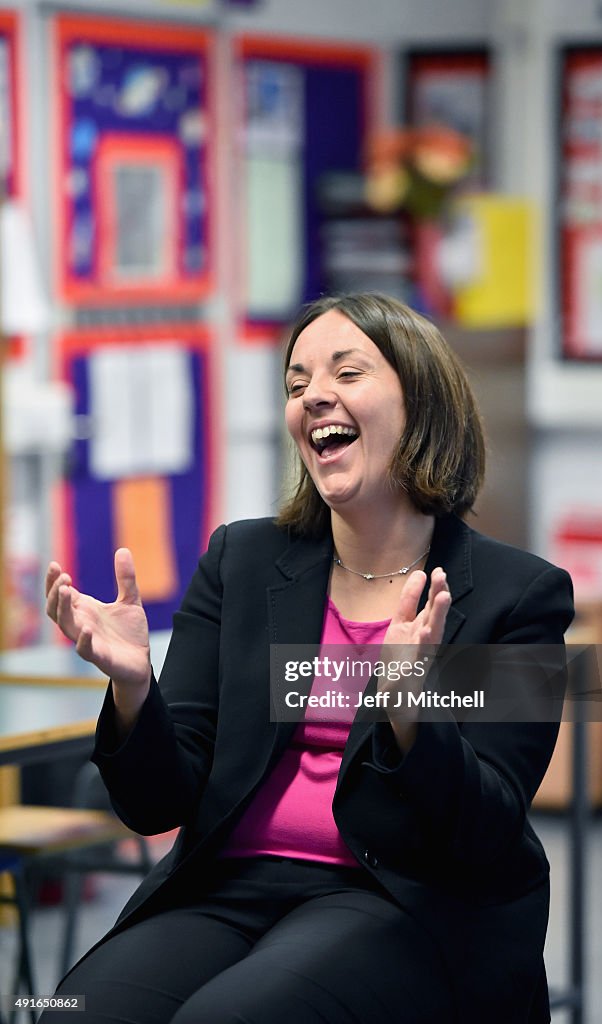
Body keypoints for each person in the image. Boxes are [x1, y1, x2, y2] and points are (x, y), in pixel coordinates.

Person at [45, 293, 573, 1024]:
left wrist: (410, 712)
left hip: (395, 897)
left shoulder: (516, 596)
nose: (314, 395)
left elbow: (486, 834)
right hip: (227, 886)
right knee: (73, 1012)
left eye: (347, 372)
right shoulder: (243, 560)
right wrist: (135, 690)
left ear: (421, 403)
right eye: (296, 384)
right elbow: (158, 803)